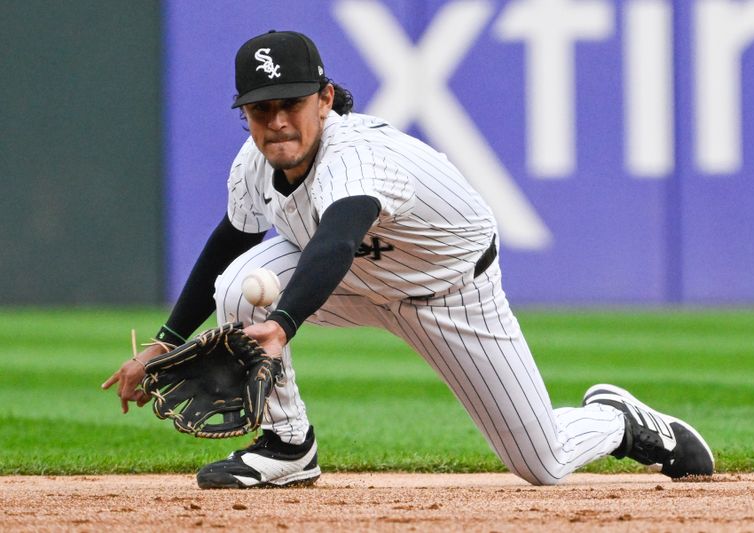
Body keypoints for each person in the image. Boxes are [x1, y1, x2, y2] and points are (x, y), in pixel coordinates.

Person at [103, 30, 714, 488]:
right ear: (245, 114)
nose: (278, 120)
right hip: (352, 281)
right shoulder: (255, 163)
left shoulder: (356, 154)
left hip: (447, 290)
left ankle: (618, 419)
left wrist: (282, 327)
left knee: (544, 463)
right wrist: (164, 341)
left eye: (292, 102)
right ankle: (289, 447)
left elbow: (339, 237)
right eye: (262, 109)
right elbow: (231, 238)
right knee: (239, 284)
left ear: (324, 99)